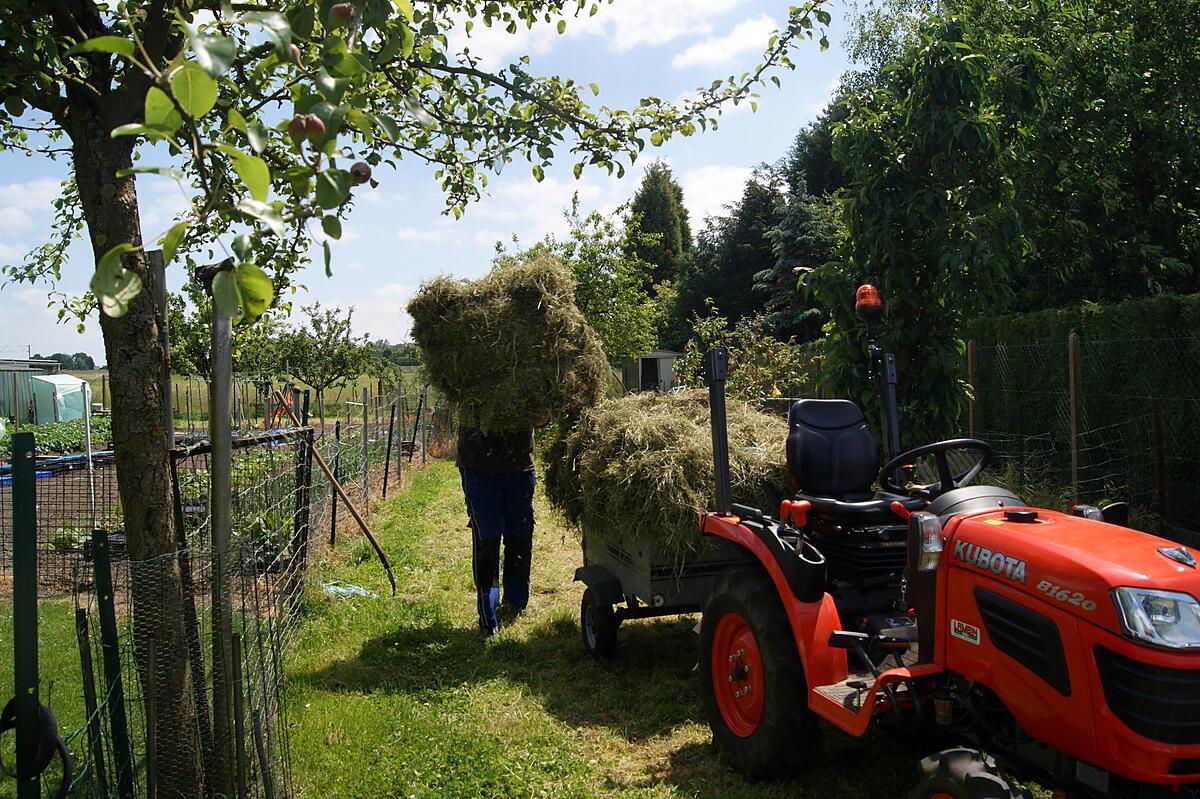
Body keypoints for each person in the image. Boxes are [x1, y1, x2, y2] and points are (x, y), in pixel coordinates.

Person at [457, 419, 543, 637]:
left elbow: (543, 416)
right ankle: (488, 616)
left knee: (520, 536)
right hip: (479, 466)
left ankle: (515, 602)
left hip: (520, 465)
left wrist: (537, 410)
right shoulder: (469, 386)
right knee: (488, 538)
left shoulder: (528, 385)